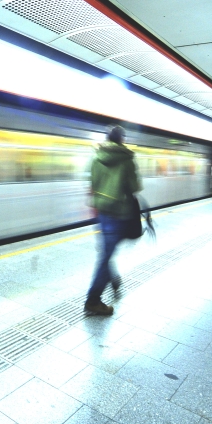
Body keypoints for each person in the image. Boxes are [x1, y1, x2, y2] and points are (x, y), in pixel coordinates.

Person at [86, 125, 142, 316]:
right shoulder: (127, 159)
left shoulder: (95, 157)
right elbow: (135, 187)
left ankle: (113, 278)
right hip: (119, 212)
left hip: (102, 212)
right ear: (121, 140)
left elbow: (92, 184)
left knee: (106, 251)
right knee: (106, 255)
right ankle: (93, 300)